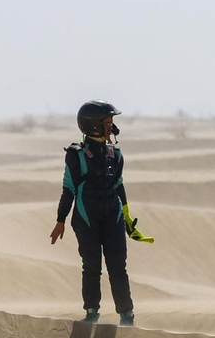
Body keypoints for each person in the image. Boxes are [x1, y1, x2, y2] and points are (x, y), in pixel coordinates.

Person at [49, 100, 153, 325]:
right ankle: (91, 311)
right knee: (91, 265)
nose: (112, 128)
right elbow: (69, 189)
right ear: (93, 125)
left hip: (112, 216)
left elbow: (119, 186)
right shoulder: (76, 155)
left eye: (112, 122)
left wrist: (127, 220)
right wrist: (61, 220)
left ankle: (126, 315)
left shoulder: (115, 154)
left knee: (118, 266)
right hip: (87, 217)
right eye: (107, 123)